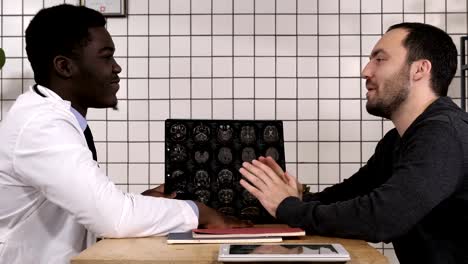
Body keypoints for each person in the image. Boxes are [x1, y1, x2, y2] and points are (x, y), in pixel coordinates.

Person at [0, 4, 248, 264]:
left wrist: (142, 206)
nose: (117, 68)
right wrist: (200, 212)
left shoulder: (51, 115)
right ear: (64, 66)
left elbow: (94, 209)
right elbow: (113, 218)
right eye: (106, 57)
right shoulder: (42, 126)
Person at [239, 22, 467, 264]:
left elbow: (381, 217)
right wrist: (298, 200)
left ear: (419, 69)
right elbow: (351, 195)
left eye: (380, 59)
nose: (366, 71)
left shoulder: (444, 133)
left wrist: (288, 207)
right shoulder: (397, 140)